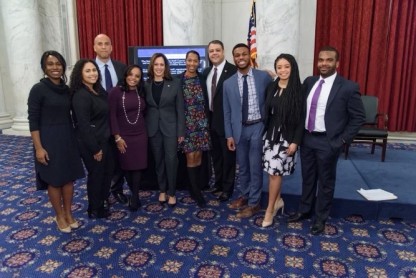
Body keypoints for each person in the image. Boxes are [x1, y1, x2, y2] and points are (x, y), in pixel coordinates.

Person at [287, 46, 365, 235]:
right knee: (308, 178)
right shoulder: (310, 81)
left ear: (337, 63)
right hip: (307, 139)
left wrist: (342, 141)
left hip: (328, 143)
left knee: (326, 182)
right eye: (321, 60)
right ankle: (305, 211)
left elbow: (358, 117)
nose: (324, 63)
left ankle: (320, 218)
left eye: (329, 60)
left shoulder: (348, 87)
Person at [28, 50, 85, 233]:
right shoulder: (38, 89)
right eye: (50, 64)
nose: (55, 67)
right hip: (48, 139)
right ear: (44, 67)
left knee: (68, 179)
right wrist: (38, 148)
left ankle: (69, 213)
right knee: (55, 180)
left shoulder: (66, 89)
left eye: (58, 64)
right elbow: (33, 120)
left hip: (67, 137)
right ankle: (59, 216)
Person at [223, 43, 272, 218]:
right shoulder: (228, 84)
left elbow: (273, 98)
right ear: (234, 57)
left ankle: (254, 203)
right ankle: (245, 195)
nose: (241, 57)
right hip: (239, 130)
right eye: (237, 55)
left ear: (249, 56)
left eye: (244, 54)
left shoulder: (263, 77)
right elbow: (227, 111)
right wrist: (229, 134)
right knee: (242, 166)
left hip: (258, 126)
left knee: (255, 166)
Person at [261, 54, 304, 227]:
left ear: (292, 68)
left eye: (286, 66)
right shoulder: (271, 87)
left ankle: (270, 210)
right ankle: (278, 200)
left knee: (275, 174)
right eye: (279, 67)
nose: (283, 70)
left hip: (287, 139)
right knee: (272, 173)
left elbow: (302, 119)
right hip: (270, 137)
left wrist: (295, 142)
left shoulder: (299, 90)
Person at [70, 59, 114, 219]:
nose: (92, 73)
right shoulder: (81, 95)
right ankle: (94, 208)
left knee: (106, 172)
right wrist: (95, 149)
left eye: (94, 70)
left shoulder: (97, 90)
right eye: (87, 71)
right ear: (80, 74)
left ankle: (102, 201)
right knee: (96, 175)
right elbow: (83, 125)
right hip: (91, 143)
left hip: (104, 139)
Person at [144, 53, 185, 207]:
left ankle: (172, 192)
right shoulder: (146, 84)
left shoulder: (175, 83)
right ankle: (162, 190)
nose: (159, 67)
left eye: (162, 65)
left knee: (171, 161)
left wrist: (181, 132)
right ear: (152, 66)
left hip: (171, 129)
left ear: (166, 67)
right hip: (153, 129)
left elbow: (180, 109)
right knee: (158, 161)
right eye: (156, 64)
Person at [94, 33, 128, 205]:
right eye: (100, 44)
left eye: (107, 43)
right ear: (94, 47)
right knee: (101, 161)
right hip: (97, 124)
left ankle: (117, 189)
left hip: (119, 122)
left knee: (118, 158)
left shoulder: (121, 67)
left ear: (112, 47)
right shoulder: (88, 68)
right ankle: (102, 193)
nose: (104, 47)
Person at [202, 40, 237, 202]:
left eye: (217, 50)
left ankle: (228, 188)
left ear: (223, 52)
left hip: (227, 122)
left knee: (228, 157)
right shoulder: (206, 72)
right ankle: (218, 183)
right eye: (211, 51)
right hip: (210, 121)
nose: (214, 53)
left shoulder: (233, 71)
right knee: (215, 156)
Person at [108, 65, 147, 212]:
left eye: (137, 76)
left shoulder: (141, 91)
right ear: (125, 75)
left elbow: (145, 112)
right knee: (127, 167)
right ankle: (131, 192)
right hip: (123, 136)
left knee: (138, 167)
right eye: (131, 75)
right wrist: (117, 138)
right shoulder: (115, 92)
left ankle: (135, 196)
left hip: (140, 135)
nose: (133, 78)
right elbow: (111, 116)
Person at [178, 50, 211, 208]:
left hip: (202, 123)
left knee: (198, 156)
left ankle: (194, 187)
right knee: (190, 157)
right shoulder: (179, 80)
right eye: (189, 60)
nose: (192, 63)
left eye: (195, 61)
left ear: (199, 62)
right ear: (185, 61)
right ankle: (196, 192)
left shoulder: (202, 79)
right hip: (187, 124)